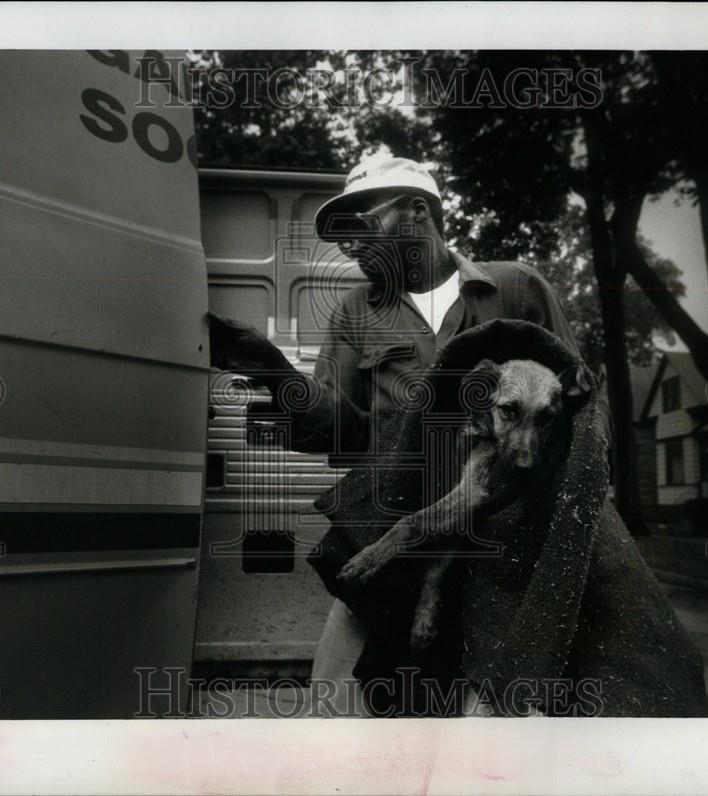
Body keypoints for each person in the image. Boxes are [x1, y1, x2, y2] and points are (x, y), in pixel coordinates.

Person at [209, 155, 581, 716]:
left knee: (495, 732)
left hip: (504, 557)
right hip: (394, 542)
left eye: (362, 224)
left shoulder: (515, 288)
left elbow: (581, 409)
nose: (349, 244)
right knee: (332, 711)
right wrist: (270, 368)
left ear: (415, 211)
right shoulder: (357, 312)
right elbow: (340, 429)